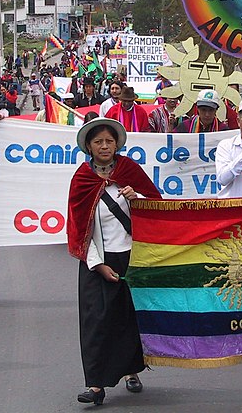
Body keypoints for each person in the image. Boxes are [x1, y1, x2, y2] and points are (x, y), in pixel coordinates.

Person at [67, 117, 161, 406]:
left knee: (128, 317)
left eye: (109, 141)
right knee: (96, 321)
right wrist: (97, 264)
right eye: (98, 142)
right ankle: (95, 384)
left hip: (132, 257)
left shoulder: (130, 171)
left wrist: (138, 197)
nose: (104, 146)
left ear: (117, 143)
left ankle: (131, 370)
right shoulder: (82, 179)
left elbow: (156, 205)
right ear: (90, 147)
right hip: (98, 260)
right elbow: (78, 226)